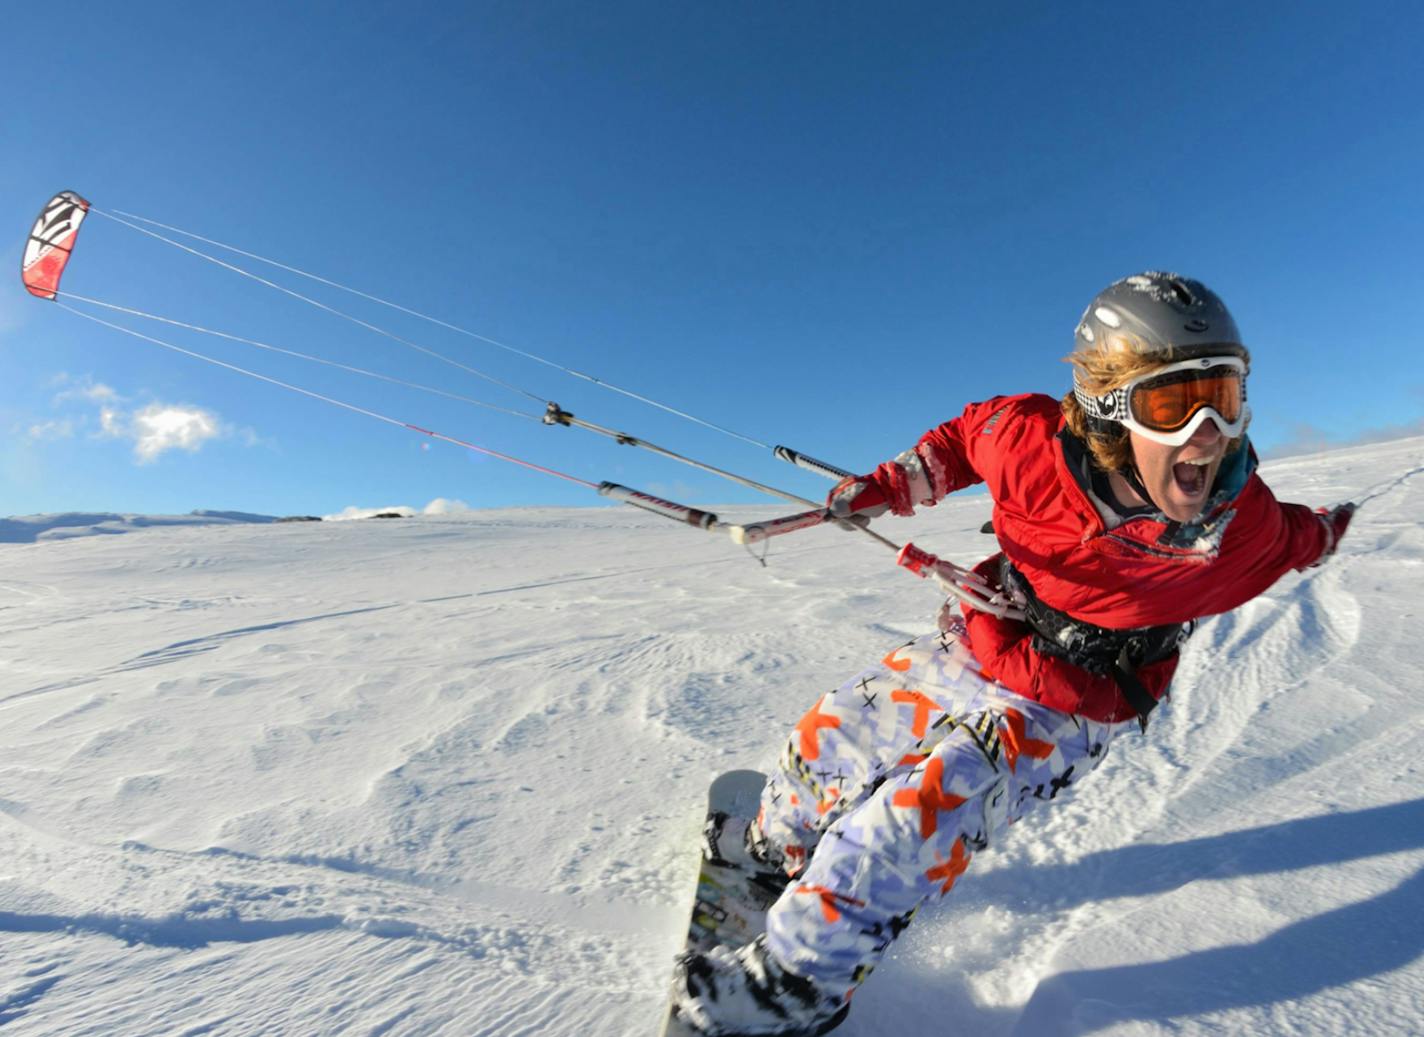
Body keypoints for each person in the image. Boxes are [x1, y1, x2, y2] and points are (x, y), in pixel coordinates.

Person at [669, 272, 1356, 1036]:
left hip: (1073, 701)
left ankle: (791, 990)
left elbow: (1298, 537)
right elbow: (963, 440)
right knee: (830, 735)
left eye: (1222, 396)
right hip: (989, 631)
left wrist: (1327, 530)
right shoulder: (1029, 440)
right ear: (1106, 403)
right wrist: (891, 485)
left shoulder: (1241, 525)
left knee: (909, 821)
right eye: (1172, 401)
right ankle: (770, 845)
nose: (1207, 430)